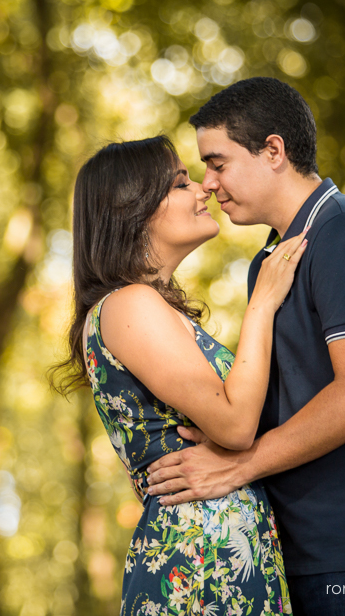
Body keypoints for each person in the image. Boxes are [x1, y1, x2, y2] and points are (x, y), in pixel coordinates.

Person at [145, 77, 345, 615]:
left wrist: (241, 466)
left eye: (218, 163)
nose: (209, 184)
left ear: (274, 151)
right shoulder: (271, 262)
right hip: (298, 554)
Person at [54, 135, 307, 615]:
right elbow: (234, 424)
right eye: (181, 182)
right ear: (133, 208)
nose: (203, 189)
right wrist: (263, 303)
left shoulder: (145, 308)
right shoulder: (129, 305)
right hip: (199, 559)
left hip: (225, 549)